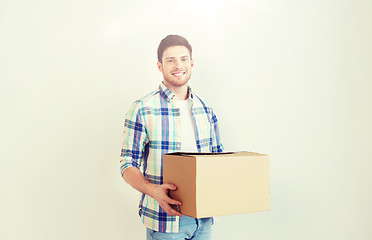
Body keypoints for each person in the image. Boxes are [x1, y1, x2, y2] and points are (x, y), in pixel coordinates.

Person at [120, 34, 223, 240]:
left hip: (204, 219)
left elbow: (219, 158)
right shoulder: (142, 108)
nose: (178, 65)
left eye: (184, 59)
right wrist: (153, 190)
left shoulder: (206, 108)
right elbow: (127, 164)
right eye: (170, 60)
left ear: (192, 63)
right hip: (164, 220)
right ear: (160, 66)